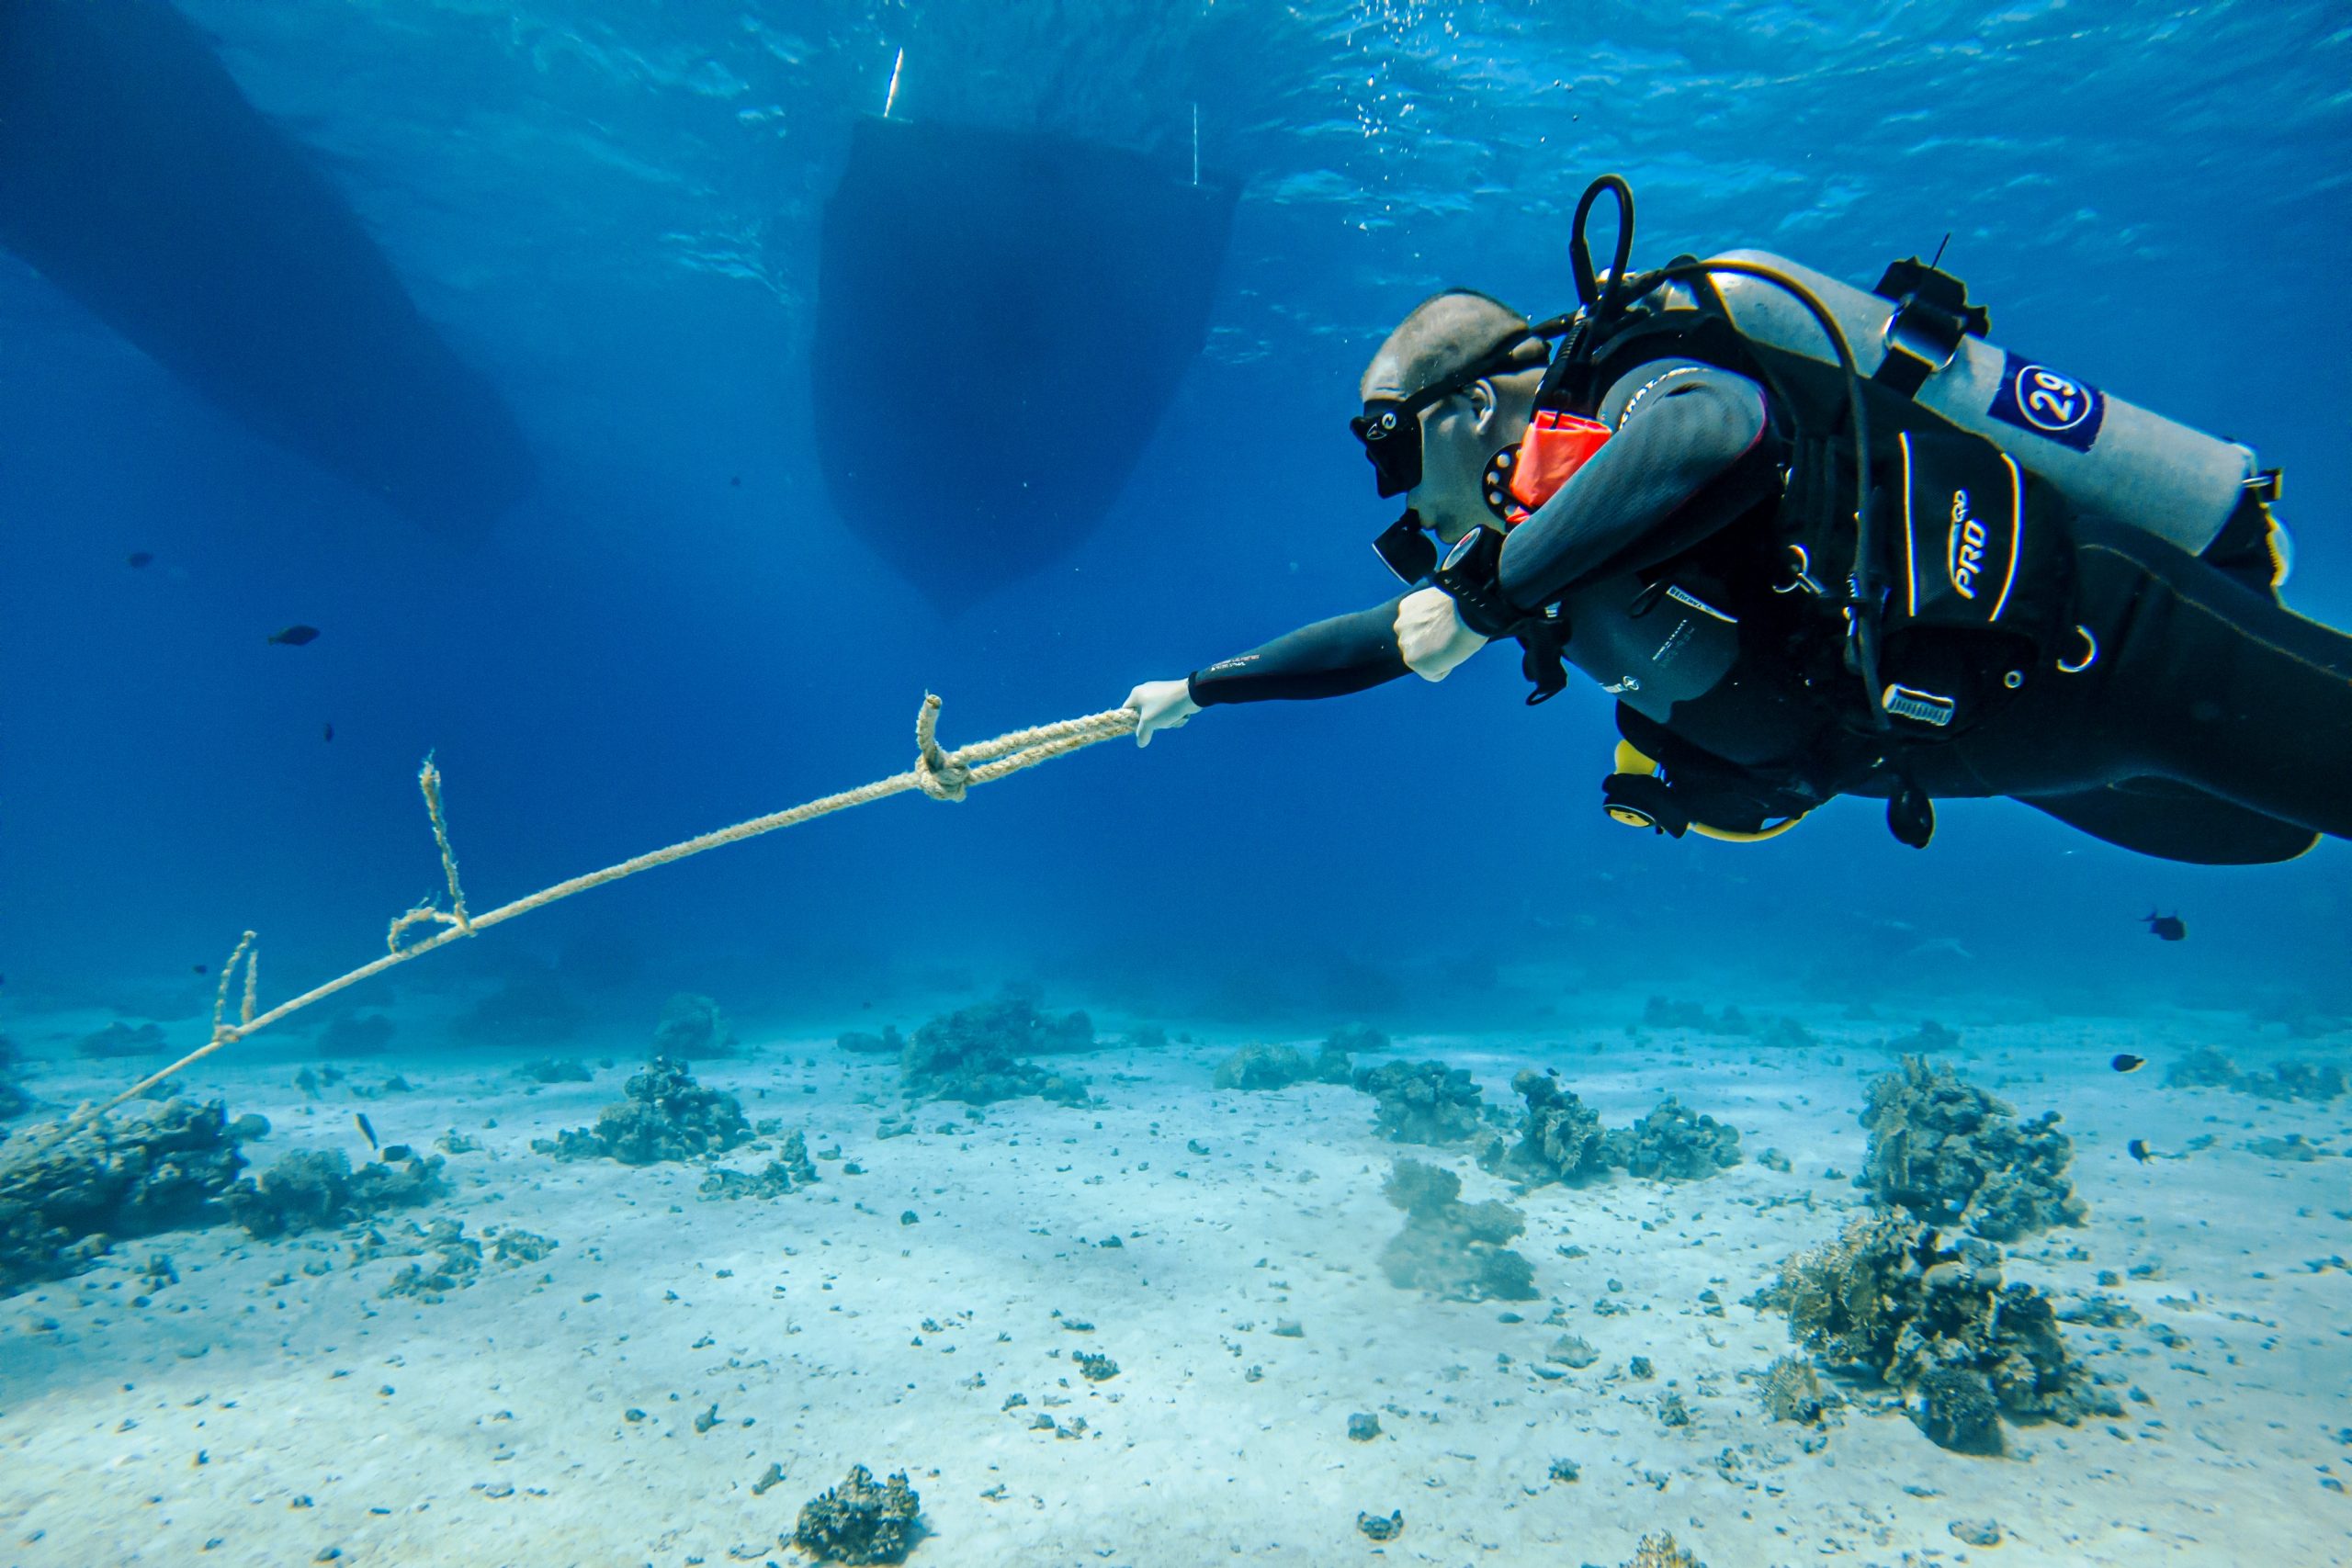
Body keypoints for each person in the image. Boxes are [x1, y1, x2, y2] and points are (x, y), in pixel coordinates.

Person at [1120, 187, 2350, 864]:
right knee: (2274, 833)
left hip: (2105, 637)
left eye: (1390, 444)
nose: (1398, 495)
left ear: (1475, 402)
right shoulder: (1559, 529)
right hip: (1996, 741)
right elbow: (1391, 642)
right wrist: (1195, 690)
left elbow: (1718, 431)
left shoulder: (1633, 371)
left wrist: (1484, 597)